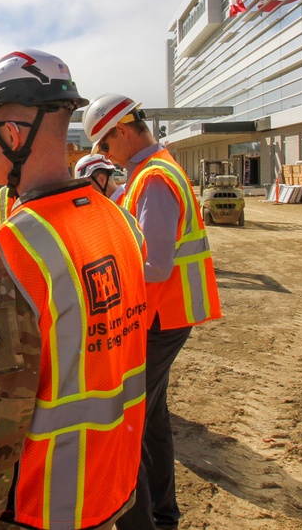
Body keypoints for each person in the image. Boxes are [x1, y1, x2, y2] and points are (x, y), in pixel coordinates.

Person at [0, 49, 151, 530]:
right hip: (108, 485)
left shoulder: (13, 254)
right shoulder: (121, 223)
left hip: (41, 505)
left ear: (13, 135)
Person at [83, 93, 222, 530]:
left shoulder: (153, 179)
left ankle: (144, 521)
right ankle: (164, 517)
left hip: (158, 317)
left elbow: (155, 265)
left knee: (129, 425)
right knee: (153, 418)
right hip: (167, 315)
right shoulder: (154, 170)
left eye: (104, 147)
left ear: (121, 132)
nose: (104, 156)